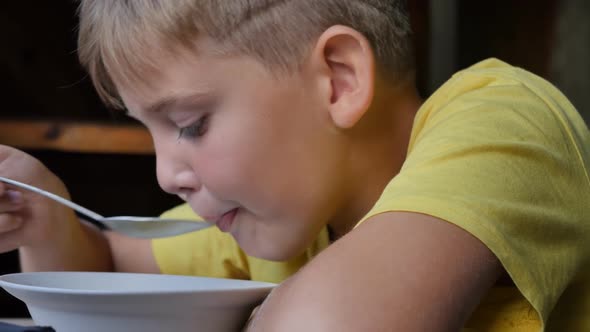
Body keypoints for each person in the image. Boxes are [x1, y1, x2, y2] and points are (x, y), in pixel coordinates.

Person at [0, 0, 588, 330]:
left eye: (189, 124)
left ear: (338, 79)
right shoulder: (289, 218)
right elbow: (107, 269)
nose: (164, 175)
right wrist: (44, 217)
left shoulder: (503, 117)